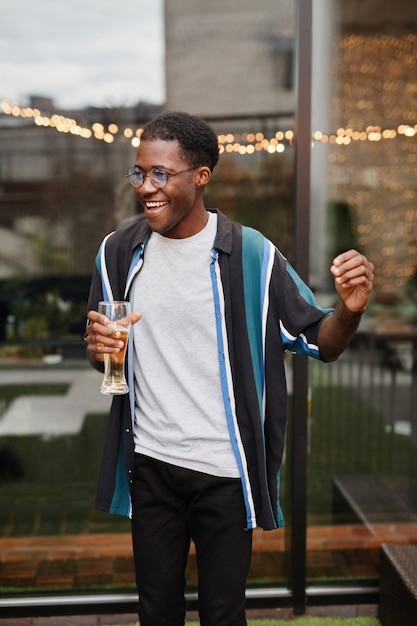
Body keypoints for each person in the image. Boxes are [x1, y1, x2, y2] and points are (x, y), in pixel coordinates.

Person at [85, 111, 374, 626]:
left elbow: (319, 342)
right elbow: (105, 355)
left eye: (161, 174)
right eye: (139, 173)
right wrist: (100, 347)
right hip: (150, 463)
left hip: (224, 471)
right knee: (156, 613)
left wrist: (349, 310)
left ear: (201, 177)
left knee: (222, 615)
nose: (146, 188)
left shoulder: (252, 255)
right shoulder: (117, 252)